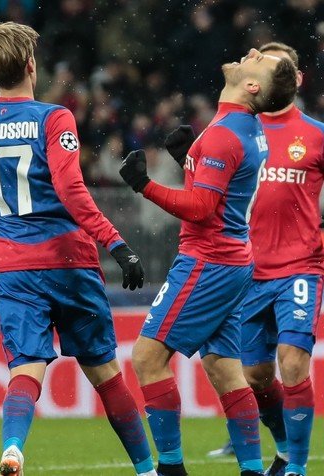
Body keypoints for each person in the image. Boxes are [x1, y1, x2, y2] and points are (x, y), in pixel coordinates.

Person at [0, 22, 155, 476]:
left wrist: (9, 207)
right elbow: (71, 189)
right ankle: (146, 470)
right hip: (68, 262)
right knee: (105, 374)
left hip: (11, 267)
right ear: (31, 65)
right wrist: (117, 243)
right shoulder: (54, 117)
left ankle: (12, 448)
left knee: (25, 369)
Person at [119, 48, 298, 476]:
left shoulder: (225, 134)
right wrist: (191, 161)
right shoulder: (243, 128)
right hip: (233, 261)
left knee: (147, 358)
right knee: (224, 369)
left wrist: (143, 184)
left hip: (208, 260)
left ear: (251, 86)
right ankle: (252, 470)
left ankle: (171, 470)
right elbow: (227, 189)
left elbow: (201, 209)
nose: (251, 52)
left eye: (260, 60)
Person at [198, 42, 321, 476]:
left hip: (300, 267)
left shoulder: (316, 134)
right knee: (256, 377)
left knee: (293, 360)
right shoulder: (236, 131)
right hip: (247, 272)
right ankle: (285, 449)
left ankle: (298, 468)